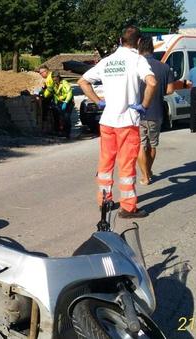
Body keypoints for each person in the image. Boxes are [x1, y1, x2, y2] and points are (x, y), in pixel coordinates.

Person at [78, 25, 157, 219]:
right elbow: (152, 82)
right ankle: (128, 207)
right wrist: (144, 105)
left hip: (107, 122)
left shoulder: (107, 61)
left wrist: (98, 102)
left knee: (106, 163)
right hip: (127, 122)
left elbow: (83, 82)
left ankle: (104, 202)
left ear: (120, 41)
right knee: (126, 165)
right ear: (139, 42)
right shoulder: (137, 60)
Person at [137, 36, 175, 185]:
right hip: (156, 112)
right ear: (153, 49)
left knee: (141, 145)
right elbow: (170, 90)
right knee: (152, 145)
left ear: (139, 49)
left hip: (138, 113)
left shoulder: (136, 66)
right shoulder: (164, 67)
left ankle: (145, 176)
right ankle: (149, 171)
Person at [50, 71, 80, 138]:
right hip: (60, 102)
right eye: (53, 78)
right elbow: (54, 93)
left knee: (66, 117)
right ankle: (62, 132)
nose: (54, 79)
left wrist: (66, 102)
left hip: (68, 102)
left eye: (55, 77)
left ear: (58, 77)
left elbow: (69, 92)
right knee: (61, 117)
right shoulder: (53, 84)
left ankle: (67, 133)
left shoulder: (64, 83)